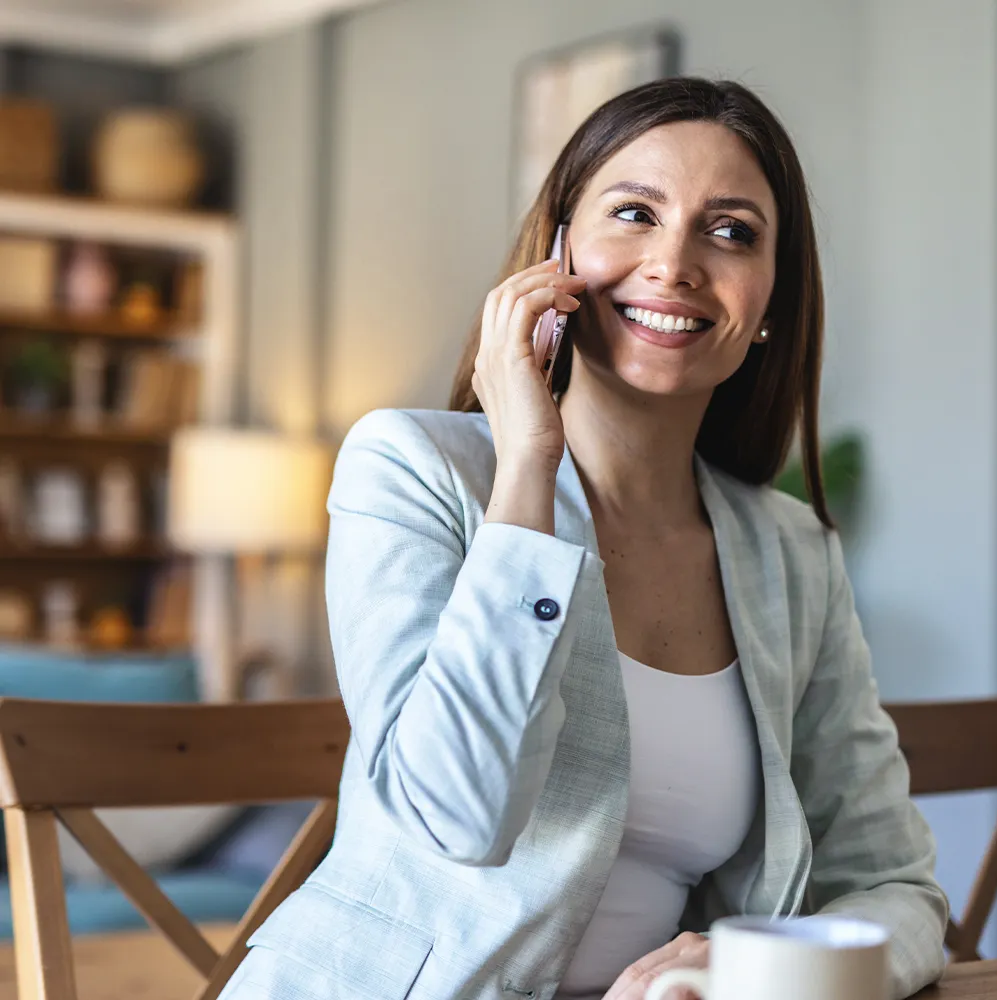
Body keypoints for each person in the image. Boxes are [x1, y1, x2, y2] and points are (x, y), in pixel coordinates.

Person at [221, 76, 949, 1000]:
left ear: (770, 301)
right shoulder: (412, 469)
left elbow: (894, 888)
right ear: (558, 252)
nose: (675, 263)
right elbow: (454, 816)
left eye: (731, 231)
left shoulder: (791, 555)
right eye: (634, 213)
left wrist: (762, 969)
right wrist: (526, 464)